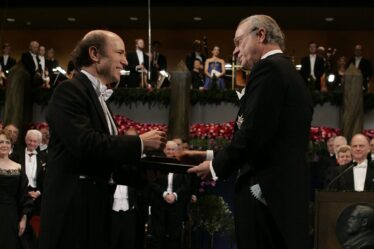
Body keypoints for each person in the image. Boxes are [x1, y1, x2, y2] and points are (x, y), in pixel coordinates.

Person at [188, 15, 313, 249]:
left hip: (263, 197)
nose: (234, 52)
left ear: (261, 35)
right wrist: (209, 156)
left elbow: (253, 134)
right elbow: (271, 138)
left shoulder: (269, 70)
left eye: (238, 42)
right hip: (281, 197)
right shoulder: (288, 72)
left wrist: (215, 167)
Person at [38, 30, 166, 249]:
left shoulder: (100, 99)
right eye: (120, 53)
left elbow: (105, 161)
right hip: (73, 212)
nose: (126, 61)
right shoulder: (69, 90)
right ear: (95, 54)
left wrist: (144, 174)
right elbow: (86, 144)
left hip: (95, 209)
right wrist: (140, 142)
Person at [0, 130, 33, 249]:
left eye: (7, 142)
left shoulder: (18, 167)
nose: (4, 145)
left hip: (11, 215)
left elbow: (24, 195)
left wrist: (23, 219)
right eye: (1, 142)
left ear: (11, 145)